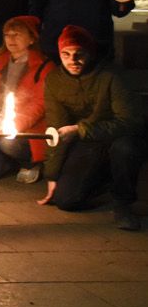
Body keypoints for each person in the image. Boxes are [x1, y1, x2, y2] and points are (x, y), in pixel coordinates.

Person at [38, 25, 143, 230]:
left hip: (119, 136)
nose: (73, 61)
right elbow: (55, 127)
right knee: (66, 200)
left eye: (79, 54)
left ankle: (123, 203)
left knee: (125, 149)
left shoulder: (111, 76)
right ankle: (102, 181)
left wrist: (80, 130)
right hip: (88, 141)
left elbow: (130, 121)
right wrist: (52, 175)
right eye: (66, 54)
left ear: (90, 53)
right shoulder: (55, 80)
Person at [0, 15, 53, 182]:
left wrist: (11, 127)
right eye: (7, 35)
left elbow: (40, 103)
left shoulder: (44, 67)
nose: (11, 39)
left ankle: (30, 162)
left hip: (27, 131)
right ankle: (11, 161)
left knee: (7, 142)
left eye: (17, 34)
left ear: (32, 38)